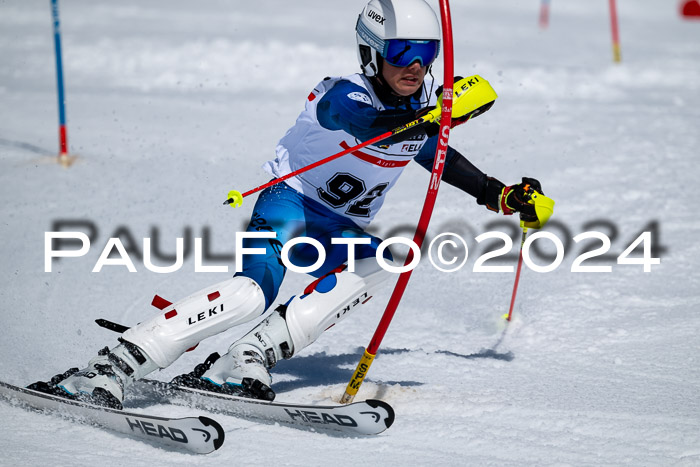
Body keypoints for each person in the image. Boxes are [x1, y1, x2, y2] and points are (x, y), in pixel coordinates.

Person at [29, 0, 545, 408]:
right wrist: (434, 113)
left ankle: (246, 358)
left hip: (340, 225)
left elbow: (437, 155)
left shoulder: (420, 109)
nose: (415, 65)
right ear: (371, 51)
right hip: (289, 205)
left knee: (389, 261)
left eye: (426, 53)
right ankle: (113, 365)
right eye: (402, 51)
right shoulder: (342, 94)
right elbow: (364, 124)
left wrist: (499, 193)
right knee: (253, 293)